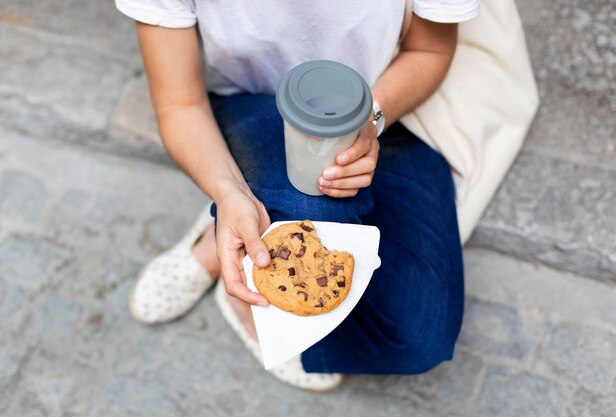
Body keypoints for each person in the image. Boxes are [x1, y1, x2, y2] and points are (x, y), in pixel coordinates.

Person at [116, 0, 480, 391]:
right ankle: (239, 267)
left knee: (419, 340)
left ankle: (239, 224)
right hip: (254, 105)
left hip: (387, 112)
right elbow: (180, 104)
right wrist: (228, 190)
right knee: (307, 207)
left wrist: (370, 121)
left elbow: (429, 50)